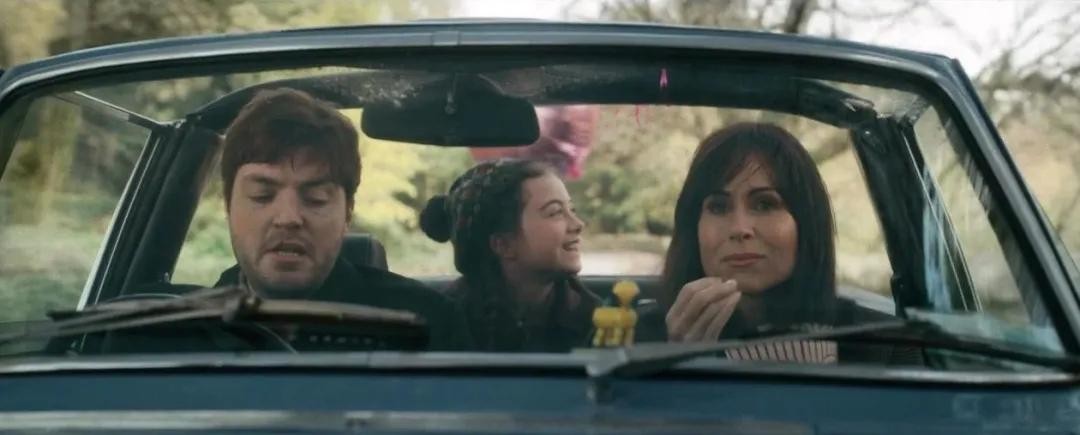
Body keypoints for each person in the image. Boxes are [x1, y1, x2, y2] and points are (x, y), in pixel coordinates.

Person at [199, 88, 469, 351]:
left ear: (348, 211)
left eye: (315, 198)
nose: (288, 218)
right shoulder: (185, 328)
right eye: (262, 195)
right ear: (228, 204)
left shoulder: (423, 327)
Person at [661, 122, 918, 364]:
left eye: (764, 204)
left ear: (807, 223)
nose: (740, 229)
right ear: (692, 228)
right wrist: (677, 367)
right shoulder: (645, 339)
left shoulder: (882, 345)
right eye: (718, 207)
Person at [419, 159, 595, 352]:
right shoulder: (443, 324)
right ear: (503, 245)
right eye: (555, 212)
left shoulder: (596, 320)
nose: (578, 224)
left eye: (572, 210)